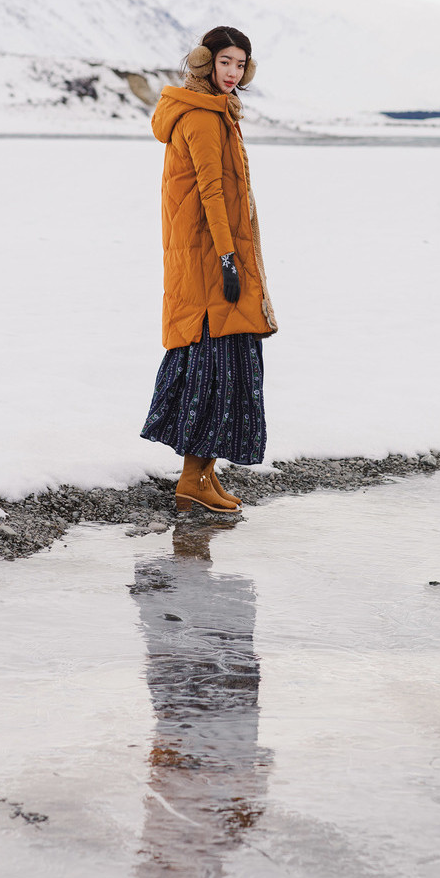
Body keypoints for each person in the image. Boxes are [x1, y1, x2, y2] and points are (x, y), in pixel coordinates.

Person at [140, 25, 279, 515]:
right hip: (207, 260)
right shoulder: (201, 117)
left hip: (211, 254)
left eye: (240, 64)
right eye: (225, 62)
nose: (233, 72)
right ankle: (191, 479)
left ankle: (202, 474)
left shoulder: (219, 111)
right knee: (213, 367)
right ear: (205, 62)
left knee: (225, 364)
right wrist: (226, 258)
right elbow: (211, 192)